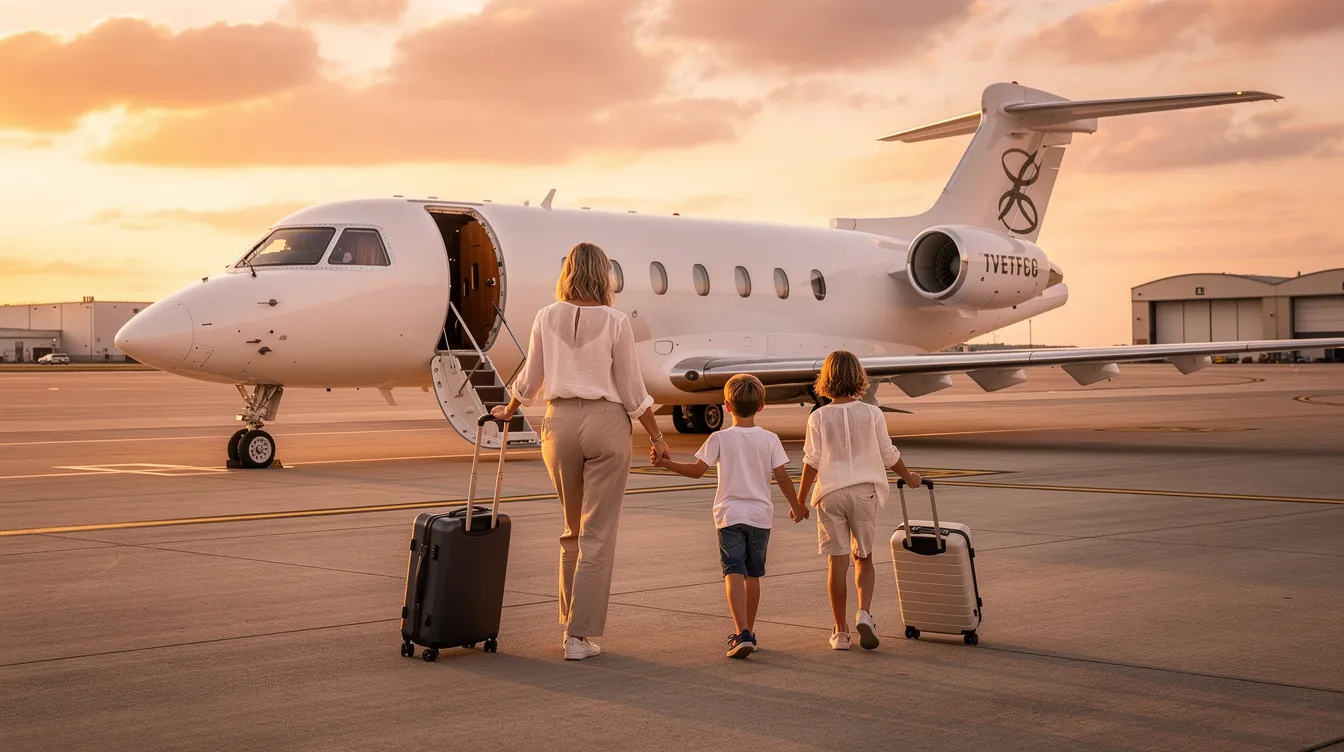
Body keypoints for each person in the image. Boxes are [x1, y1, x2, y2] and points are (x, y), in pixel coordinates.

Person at [492, 242, 670, 661]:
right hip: (606, 424)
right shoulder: (615, 321)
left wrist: (509, 409)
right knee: (599, 535)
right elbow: (631, 389)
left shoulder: (545, 316)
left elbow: (529, 378)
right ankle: (579, 636)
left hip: (559, 426)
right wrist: (657, 437)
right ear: (604, 275)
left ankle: (569, 626)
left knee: (573, 530)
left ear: (567, 272)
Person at [652, 374, 804, 658]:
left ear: (727, 406)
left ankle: (741, 631)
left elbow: (697, 470)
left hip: (730, 515)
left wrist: (666, 463)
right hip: (760, 517)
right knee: (754, 574)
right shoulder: (770, 439)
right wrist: (796, 506)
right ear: (761, 406)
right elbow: (782, 477)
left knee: (733, 570)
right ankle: (751, 632)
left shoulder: (719, 437)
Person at [796, 351, 922, 651]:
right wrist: (910, 476)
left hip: (831, 494)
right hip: (864, 491)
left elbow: (811, 462)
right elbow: (889, 454)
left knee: (836, 563)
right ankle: (864, 612)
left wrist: (799, 500)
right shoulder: (872, 414)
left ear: (825, 379)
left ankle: (840, 631)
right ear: (859, 377)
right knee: (863, 557)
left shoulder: (818, 417)